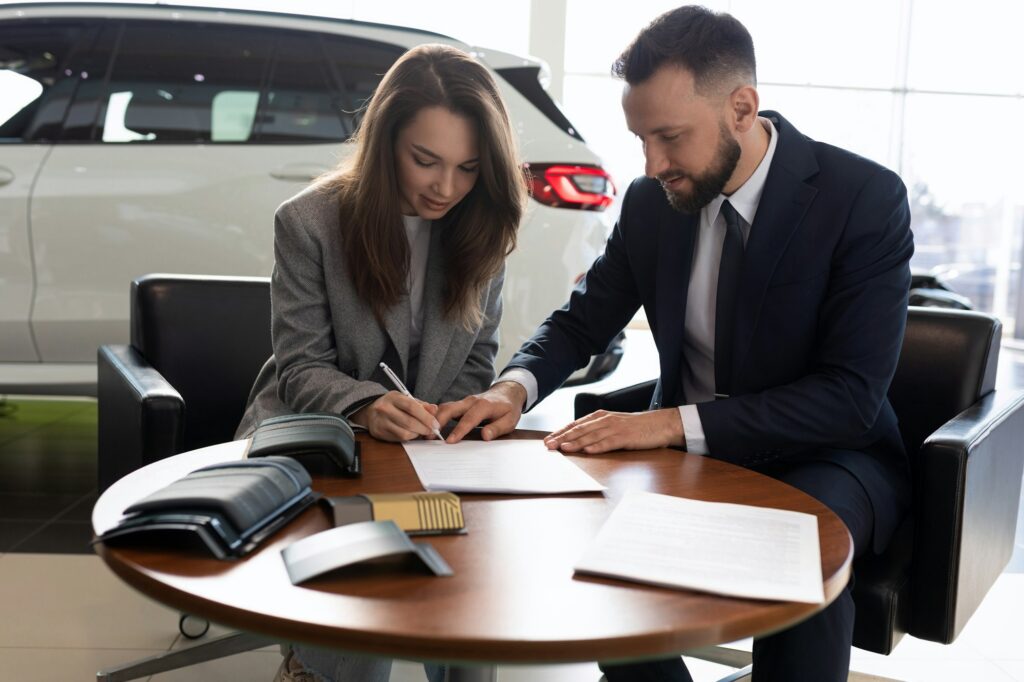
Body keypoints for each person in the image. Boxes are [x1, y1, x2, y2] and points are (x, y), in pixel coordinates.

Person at [437, 6, 913, 682]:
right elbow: (581, 320)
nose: (653, 163)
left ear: (742, 108)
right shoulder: (652, 203)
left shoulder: (861, 199)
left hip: (832, 458)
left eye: (669, 137)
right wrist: (512, 388)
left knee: (800, 557)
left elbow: (849, 400)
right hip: (684, 459)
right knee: (594, 562)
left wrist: (665, 424)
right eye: (640, 140)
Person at [233, 43, 527, 682]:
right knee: (364, 598)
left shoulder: (482, 230)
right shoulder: (309, 222)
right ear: (385, 140)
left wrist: (458, 414)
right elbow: (302, 368)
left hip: (431, 450)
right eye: (425, 160)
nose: (445, 187)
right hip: (323, 437)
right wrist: (366, 404)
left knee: (466, 603)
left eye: (469, 167)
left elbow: (477, 359)